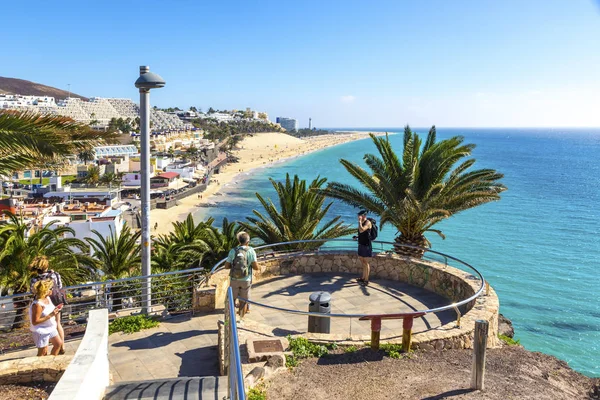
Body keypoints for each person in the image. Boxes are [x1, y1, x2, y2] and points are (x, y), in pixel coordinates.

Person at [30, 256, 65, 354]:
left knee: (47, 324)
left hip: (44, 301)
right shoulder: (54, 275)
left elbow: (32, 291)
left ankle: (53, 344)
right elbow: (60, 286)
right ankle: (62, 346)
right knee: (57, 323)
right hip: (55, 301)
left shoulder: (34, 280)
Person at [223, 232, 259, 317]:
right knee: (243, 300)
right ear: (248, 242)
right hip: (246, 280)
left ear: (239, 241)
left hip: (234, 279)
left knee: (232, 299)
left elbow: (226, 266)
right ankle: (241, 318)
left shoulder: (233, 251)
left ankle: (230, 318)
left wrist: (234, 267)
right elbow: (255, 267)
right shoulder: (251, 251)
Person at [29, 280, 63, 356]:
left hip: (50, 327)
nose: (52, 290)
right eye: (50, 288)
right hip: (41, 330)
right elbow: (35, 321)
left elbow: (49, 310)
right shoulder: (37, 304)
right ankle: (39, 367)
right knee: (43, 352)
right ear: (45, 291)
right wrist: (51, 315)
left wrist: (56, 309)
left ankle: (50, 362)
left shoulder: (48, 298)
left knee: (58, 344)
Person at [356, 210, 373, 286]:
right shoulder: (361, 223)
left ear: (364, 216)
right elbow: (361, 233)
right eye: (358, 215)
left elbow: (362, 230)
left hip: (366, 245)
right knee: (362, 262)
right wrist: (356, 237)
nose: (358, 217)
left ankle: (366, 280)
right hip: (361, 244)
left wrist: (359, 222)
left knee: (366, 263)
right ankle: (363, 278)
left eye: (360, 215)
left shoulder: (368, 222)